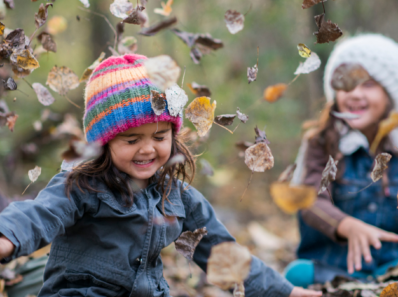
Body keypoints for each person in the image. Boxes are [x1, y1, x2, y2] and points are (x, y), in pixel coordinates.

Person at [0, 54, 320, 297]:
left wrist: (286, 291)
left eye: (159, 137)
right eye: (131, 139)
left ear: (173, 134)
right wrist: (7, 237)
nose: (147, 149)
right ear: (103, 142)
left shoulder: (176, 195)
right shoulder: (81, 183)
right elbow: (39, 214)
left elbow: (222, 253)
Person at [285, 34, 398, 287]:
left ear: (390, 93)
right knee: (297, 275)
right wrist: (346, 226)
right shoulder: (322, 143)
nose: (355, 94)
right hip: (334, 269)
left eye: (368, 85)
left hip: (392, 270)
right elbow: (309, 199)